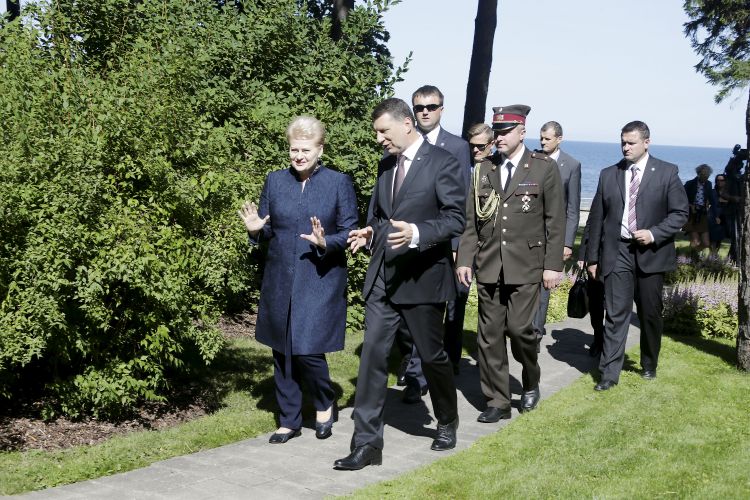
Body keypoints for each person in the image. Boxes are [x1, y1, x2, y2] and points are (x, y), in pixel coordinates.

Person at [334, 98, 465, 470]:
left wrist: (417, 233)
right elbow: (380, 216)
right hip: (383, 278)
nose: (379, 139)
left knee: (432, 356)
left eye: (383, 130)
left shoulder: (443, 163)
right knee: (372, 358)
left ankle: (446, 419)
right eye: (376, 132)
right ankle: (367, 444)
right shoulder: (385, 165)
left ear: (406, 123)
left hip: (422, 278)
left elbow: (456, 219)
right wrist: (369, 233)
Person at [238, 116, 358, 443]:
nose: (299, 156)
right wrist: (256, 231)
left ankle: (324, 400)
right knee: (282, 351)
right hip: (280, 279)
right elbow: (268, 229)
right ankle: (288, 420)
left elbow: (349, 231)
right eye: (294, 149)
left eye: (306, 150)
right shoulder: (275, 181)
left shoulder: (338, 183)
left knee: (308, 350)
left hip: (320, 277)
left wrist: (325, 241)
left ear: (320, 150)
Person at [455, 105, 565, 423]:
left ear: (522, 131)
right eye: (497, 132)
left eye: (505, 132)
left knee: (519, 330)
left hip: (527, 264)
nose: (499, 137)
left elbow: (555, 220)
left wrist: (553, 265)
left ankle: (530, 379)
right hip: (490, 263)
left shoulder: (543, 168)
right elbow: (472, 221)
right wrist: (465, 258)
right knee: (489, 336)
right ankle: (498, 400)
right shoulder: (484, 169)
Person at [586, 121, 688, 391]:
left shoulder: (667, 172)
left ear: (646, 142)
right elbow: (596, 219)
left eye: (631, 142)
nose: (625, 147)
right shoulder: (609, 174)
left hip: (651, 253)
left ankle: (649, 363)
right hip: (617, 251)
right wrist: (592, 258)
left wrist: (654, 233)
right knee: (615, 314)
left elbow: (680, 213)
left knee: (650, 313)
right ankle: (609, 373)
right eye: (623, 142)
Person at [397, 85, 472, 404]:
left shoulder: (456, 147)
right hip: (403, 243)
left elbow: (460, 201)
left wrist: (457, 247)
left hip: (438, 243)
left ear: (442, 108)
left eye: (431, 106)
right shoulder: (400, 142)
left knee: (430, 313)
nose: (425, 111)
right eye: (419, 107)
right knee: (404, 320)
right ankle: (410, 361)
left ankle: (418, 376)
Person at [532, 121, 581, 351]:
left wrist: (567, 243)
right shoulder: (533, 159)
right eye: (541, 138)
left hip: (553, 236)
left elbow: (573, 208)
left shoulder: (571, 165)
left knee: (544, 287)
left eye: (547, 139)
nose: (543, 142)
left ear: (559, 139)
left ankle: (536, 334)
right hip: (528, 233)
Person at [577, 220, 605, 357]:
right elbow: (590, 226)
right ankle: (598, 339)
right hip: (596, 257)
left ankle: (610, 343)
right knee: (595, 305)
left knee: (614, 306)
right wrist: (582, 255)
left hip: (620, 256)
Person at [683, 164, 714, 258]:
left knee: (706, 243)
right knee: (695, 242)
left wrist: (710, 206)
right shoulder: (690, 183)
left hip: (702, 215)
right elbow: (681, 197)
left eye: (707, 175)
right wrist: (690, 205)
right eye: (704, 175)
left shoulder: (709, 184)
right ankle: (690, 257)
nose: (706, 177)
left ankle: (688, 255)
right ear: (698, 174)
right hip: (691, 216)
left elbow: (710, 198)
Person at [709, 173, 728, 255]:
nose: (719, 182)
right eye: (717, 180)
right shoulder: (713, 192)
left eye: (722, 180)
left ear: (725, 181)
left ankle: (714, 255)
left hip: (724, 216)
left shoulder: (729, 193)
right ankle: (713, 254)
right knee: (713, 236)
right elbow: (708, 203)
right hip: (713, 215)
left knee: (720, 237)